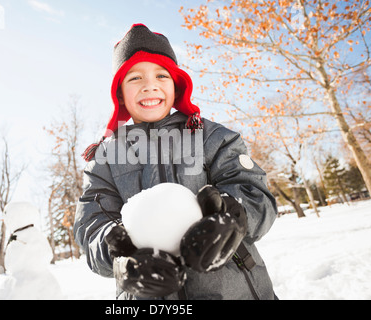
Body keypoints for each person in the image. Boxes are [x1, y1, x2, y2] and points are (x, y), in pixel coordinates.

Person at [73, 24, 278, 300]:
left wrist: (232, 218)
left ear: (176, 85)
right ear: (119, 92)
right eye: (134, 78)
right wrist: (121, 259)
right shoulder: (105, 160)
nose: (149, 85)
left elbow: (256, 194)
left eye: (161, 74)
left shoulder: (212, 137)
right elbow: (91, 228)